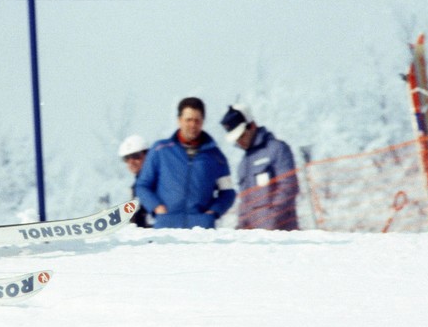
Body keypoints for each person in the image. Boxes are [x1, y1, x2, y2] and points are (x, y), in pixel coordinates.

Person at [135, 97, 236, 229]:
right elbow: (143, 186)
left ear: (202, 122)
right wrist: (157, 208)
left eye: (197, 120)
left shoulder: (216, 156)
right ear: (179, 120)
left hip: (201, 231)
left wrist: (212, 213)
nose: (193, 125)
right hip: (166, 228)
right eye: (188, 120)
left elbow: (228, 192)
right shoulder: (160, 150)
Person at [220, 104, 299, 231]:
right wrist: (241, 227)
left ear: (251, 126)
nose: (239, 142)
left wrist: (271, 221)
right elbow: (245, 201)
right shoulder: (243, 164)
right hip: (257, 239)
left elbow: (288, 188)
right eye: (236, 139)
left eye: (241, 136)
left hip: (282, 235)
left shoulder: (278, 149)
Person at [117, 134, 153, 228]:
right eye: (126, 158)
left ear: (148, 155)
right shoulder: (135, 186)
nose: (131, 162)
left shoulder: (159, 181)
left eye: (136, 156)